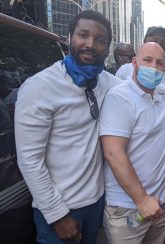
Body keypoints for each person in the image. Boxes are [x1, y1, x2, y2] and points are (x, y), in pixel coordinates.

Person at [14, 10, 119, 243]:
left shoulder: (107, 82)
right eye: (83, 35)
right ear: (69, 38)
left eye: (100, 40)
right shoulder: (39, 88)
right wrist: (57, 215)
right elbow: (30, 160)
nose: (91, 44)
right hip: (60, 209)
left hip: (96, 202)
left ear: (107, 47)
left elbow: (136, 91)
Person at [100, 42, 165, 244]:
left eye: (159, 63)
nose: (153, 67)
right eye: (147, 60)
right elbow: (114, 153)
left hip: (158, 206)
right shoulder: (120, 97)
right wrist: (141, 200)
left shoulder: (159, 100)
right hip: (127, 208)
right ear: (134, 63)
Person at [116, 26, 165, 101]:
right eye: (154, 40)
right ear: (134, 62)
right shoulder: (125, 70)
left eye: (163, 42)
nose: (158, 45)